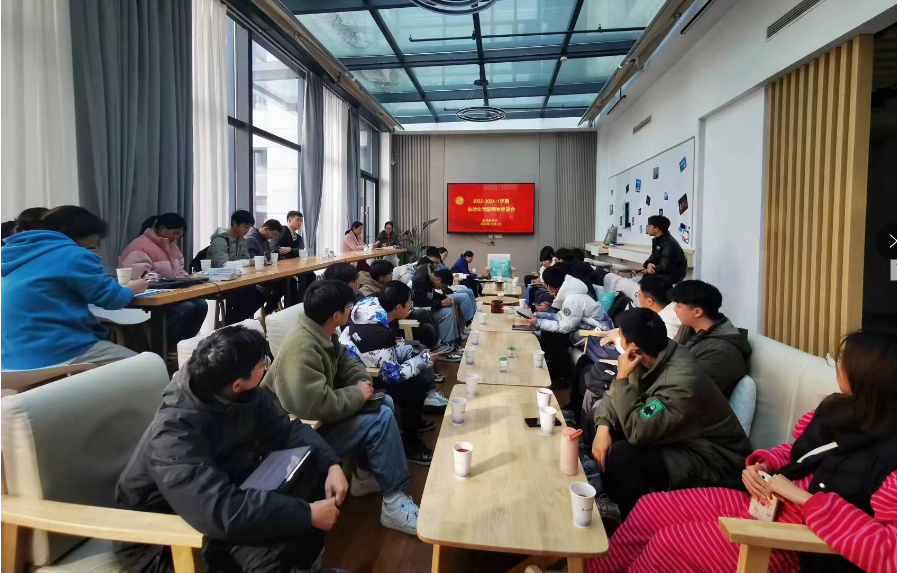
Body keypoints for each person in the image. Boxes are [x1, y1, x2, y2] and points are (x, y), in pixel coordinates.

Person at [588, 329, 897, 573]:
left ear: (867, 377)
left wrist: (805, 499)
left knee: (670, 542)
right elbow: (799, 452)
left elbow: (890, 553)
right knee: (651, 508)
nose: (837, 367)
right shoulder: (838, 409)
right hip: (766, 502)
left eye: (842, 361)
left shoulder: (890, 459)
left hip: (797, 541)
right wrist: (765, 463)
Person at [114, 326, 350, 573]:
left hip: (223, 492)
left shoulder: (236, 392)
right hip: (161, 538)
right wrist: (306, 514)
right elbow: (219, 509)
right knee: (270, 550)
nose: (266, 367)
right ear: (237, 384)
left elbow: (285, 430)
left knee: (314, 470)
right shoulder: (173, 435)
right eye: (262, 364)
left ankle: (305, 567)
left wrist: (331, 465)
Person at [262, 281, 422, 535]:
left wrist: (362, 383)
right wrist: (357, 393)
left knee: (385, 401)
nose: (352, 309)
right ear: (336, 315)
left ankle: (364, 477)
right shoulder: (302, 349)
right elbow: (313, 406)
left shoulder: (324, 333)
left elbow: (348, 363)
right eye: (348, 306)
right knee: (380, 417)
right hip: (298, 438)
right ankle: (393, 504)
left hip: (317, 421)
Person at [590, 308, 751, 520]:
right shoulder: (652, 354)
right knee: (608, 426)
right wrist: (603, 427)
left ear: (634, 347)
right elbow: (615, 396)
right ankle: (613, 497)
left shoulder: (680, 384)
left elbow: (638, 431)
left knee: (625, 455)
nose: (618, 338)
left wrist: (621, 378)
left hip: (713, 459)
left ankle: (635, 524)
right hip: (680, 438)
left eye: (620, 335)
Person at [1, 206, 147, 369]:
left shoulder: (12, 254)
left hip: (9, 359)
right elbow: (113, 299)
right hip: (58, 351)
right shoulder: (74, 255)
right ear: (86, 233)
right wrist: (133, 288)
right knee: (150, 367)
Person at [340, 281, 437, 462]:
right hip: (360, 375)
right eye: (409, 303)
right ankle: (410, 444)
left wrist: (413, 354)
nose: (411, 306)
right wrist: (424, 360)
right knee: (416, 383)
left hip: (364, 354)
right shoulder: (379, 335)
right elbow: (392, 376)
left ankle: (414, 421)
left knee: (415, 349)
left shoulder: (368, 302)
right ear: (398, 307)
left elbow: (382, 351)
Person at [119, 213, 207, 346]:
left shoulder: (172, 246)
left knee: (201, 305)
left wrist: (188, 279)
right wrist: (169, 281)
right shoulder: (139, 246)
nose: (176, 238)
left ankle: (184, 345)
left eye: (179, 235)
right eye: (175, 234)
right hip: (148, 298)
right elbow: (141, 278)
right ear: (162, 228)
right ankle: (168, 347)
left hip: (171, 295)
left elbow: (179, 270)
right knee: (186, 308)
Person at [522, 265, 612, 384]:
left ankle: (562, 376)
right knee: (550, 331)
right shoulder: (571, 294)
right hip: (586, 328)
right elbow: (561, 317)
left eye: (545, 285)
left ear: (550, 285)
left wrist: (538, 323)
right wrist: (539, 316)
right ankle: (552, 367)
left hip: (596, 335)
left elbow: (564, 327)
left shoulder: (572, 300)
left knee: (556, 336)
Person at [670, 280, 751, 399]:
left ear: (697, 312)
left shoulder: (720, 351)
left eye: (678, 305)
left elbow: (690, 393)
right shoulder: (690, 329)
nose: (674, 309)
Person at [207, 210, 265, 324]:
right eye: (245, 227)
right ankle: (231, 325)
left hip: (236, 279)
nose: (247, 230)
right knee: (253, 295)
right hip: (220, 281)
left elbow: (246, 259)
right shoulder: (220, 240)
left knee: (260, 294)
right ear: (234, 223)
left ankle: (236, 324)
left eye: (249, 227)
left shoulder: (241, 240)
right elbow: (221, 265)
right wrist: (247, 263)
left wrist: (248, 262)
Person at [412, 251, 462, 356]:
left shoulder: (430, 275)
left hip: (425, 308)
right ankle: (444, 347)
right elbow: (419, 300)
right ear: (438, 280)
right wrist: (440, 303)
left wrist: (445, 298)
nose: (442, 288)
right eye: (443, 286)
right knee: (447, 312)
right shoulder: (420, 280)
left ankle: (453, 342)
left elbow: (431, 294)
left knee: (451, 308)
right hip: (418, 311)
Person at [274, 211, 314, 305]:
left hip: (294, 265)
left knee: (310, 274)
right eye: (298, 220)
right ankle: (293, 304)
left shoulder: (298, 237)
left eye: (301, 221)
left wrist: (290, 249)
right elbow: (274, 249)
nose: (300, 223)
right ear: (289, 220)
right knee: (293, 279)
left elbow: (301, 251)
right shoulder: (282, 231)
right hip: (281, 265)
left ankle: (304, 300)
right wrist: (292, 251)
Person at [643, 215, 687, 283]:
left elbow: (665, 268)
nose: (647, 228)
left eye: (649, 226)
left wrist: (649, 270)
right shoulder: (657, 240)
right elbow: (652, 258)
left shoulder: (669, 244)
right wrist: (648, 264)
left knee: (642, 282)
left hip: (671, 278)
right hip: (661, 275)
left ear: (656, 229)